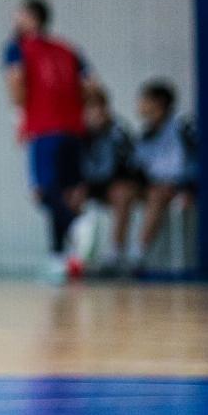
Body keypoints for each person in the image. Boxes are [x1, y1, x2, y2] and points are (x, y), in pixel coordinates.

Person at [2, 0, 93, 284]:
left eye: (19, 15)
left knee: (43, 191)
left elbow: (16, 81)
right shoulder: (69, 49)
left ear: (33, 18)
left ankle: (78, 225)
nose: (14, 20)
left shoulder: (17, 48)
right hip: (73, 128)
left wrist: (21, 117)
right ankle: (60, 258)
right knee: (66, 192)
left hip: (44, 128)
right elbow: (92, 86)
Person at [130, 78, 196, 275]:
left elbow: (199, 160)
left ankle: (137, 254)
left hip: (178, 186)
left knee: (157, 194)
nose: (140, 104)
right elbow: (138, 168)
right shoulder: (146, 135)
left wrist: (189, 188)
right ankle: (114, 254)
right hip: (153, 186)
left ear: (158, 102)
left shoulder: (183, 128)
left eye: (144, 99)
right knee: (122, 192)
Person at [73, 85, 141, 276]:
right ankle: (74, 254)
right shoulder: (76, 133)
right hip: (88, 184)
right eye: (90, 108)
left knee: (122, 192)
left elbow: (130, 166)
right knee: (70, 194)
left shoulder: (118, 131)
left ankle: (115, 253)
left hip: (111, 183)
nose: (97, 113)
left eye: (100, 107)